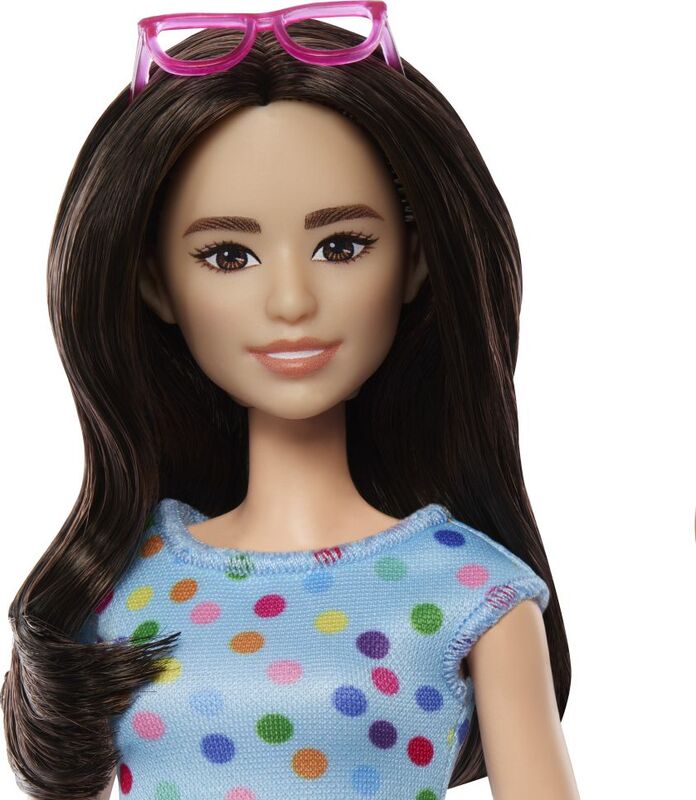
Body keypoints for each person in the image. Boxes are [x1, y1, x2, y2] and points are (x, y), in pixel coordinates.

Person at [1, 4, 578, 798]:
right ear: (154, 285)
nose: (292, 301)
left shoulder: (472, 591)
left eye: (342, 245)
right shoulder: (120, 584)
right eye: (226, 255)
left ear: (414, 262)